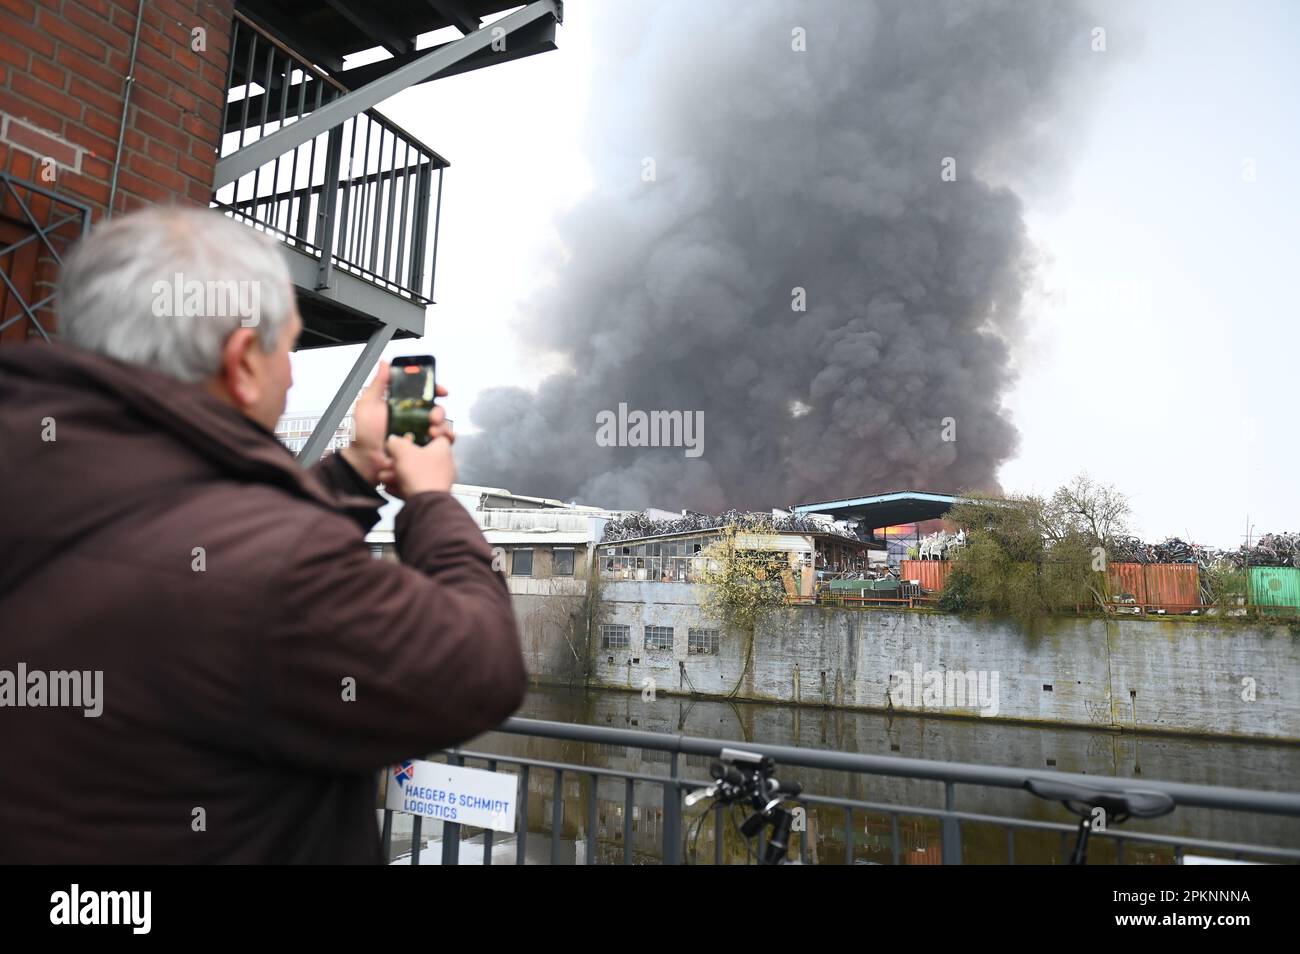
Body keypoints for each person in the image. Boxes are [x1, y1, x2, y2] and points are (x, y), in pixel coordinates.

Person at [0, 207, 526, 863]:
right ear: (244, 360)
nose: (294, 374)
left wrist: (357, 474)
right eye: (288, 348)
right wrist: (428, 498)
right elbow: (478, 666)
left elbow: (207, 540)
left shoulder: (44, 472)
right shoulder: (268, 568)